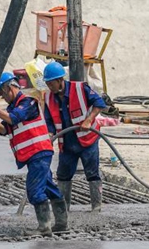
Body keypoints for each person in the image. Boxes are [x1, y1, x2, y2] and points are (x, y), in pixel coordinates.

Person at [0, 72, 68, 235]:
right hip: (33, 155)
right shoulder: (13, 108)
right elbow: (4, 130)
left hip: (38, 152)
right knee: (49, 187)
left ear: (9, 87)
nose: (3, 98)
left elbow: (13, 119)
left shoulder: (28, 102)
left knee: (34, 190)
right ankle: (61, 223)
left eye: (2, 94)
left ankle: (44, 227)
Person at [42, 61, 107, 212]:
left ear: (60, 80)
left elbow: (99, 103)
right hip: (66, 142)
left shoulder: (79, 88)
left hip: (87, 139)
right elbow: (49, 120)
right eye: (47, 84)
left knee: (92, 173)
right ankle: (64, 208)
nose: (50, 87)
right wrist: (50, 134)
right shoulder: (48, 97)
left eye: (51, 83)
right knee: (63, 175)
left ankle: (96, 207)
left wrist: (89, 120)